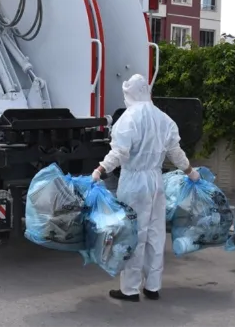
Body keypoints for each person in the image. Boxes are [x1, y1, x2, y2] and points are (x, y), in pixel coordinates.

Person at [91, 74, 199, 302]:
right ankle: (152, 286)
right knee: (155, 234)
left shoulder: (129, 119)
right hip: (155, 181)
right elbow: (175, 152)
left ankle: (129, 289)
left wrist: (100, 169)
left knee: (133, 235)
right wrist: (190, 171)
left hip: (134, 182)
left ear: (130, 93)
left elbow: (119, 153)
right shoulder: (164, 119)